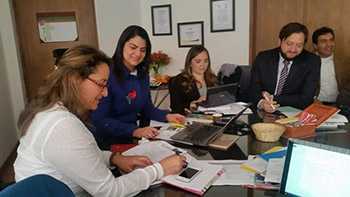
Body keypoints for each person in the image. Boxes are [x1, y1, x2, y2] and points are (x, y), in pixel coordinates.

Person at [14, 45, 186, 197]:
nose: (105, 93)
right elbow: (110, 192)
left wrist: (114, 159)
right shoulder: (62, 125)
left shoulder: (52, 110)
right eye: (101, 84)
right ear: (74, 80)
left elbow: (84, 155)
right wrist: (160, 169)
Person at [91, 25, 185, 149]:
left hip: (131, 139)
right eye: (133, 47)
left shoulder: (142, 74)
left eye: (143, 50)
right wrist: (135, 130)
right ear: (122, 45)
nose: (138, 54)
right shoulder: (108, 73)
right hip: (107, 143)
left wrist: (167, 116)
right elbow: (99, 119)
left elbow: (147, 108)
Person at [249, 22, 321, 112]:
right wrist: (262, 103)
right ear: (280, 41)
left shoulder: (312, 61)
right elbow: (253, 88)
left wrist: (273, 98)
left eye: (299, 45)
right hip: (262, 112)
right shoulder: (263, 58)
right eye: (289, 44)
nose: (293, 49)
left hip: (293, 113)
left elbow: (306, 98)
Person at [169, 45, 217, 115]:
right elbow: (175, 109)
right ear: (190, 63)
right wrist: (190, 105)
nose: (202, 65)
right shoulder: (177, 81)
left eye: (206, 61)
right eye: (198, 61)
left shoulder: (213, 79)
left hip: (212, 118)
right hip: (189, 121)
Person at [312, 26, 345, 104]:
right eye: (324, 41)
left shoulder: (342, 62)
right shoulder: (308, 62)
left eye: (331, 40)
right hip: (316, 104)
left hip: (339, 105)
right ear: (315, 45)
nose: (329, 44)